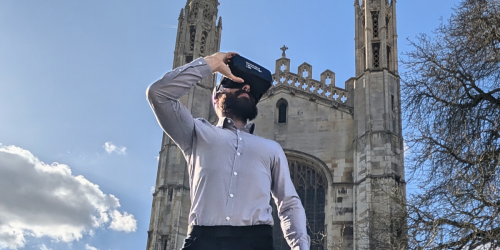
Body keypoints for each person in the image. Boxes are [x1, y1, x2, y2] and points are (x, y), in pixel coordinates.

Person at [146, 52, 310, 250]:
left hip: (256, 242)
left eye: (251, 90)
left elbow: (288, 203)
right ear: (216, 97)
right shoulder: (196, 132)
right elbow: (159, 94)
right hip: (203, 240)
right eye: (236, 82)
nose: (246, 87)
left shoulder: (271, 149)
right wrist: (211, 63)